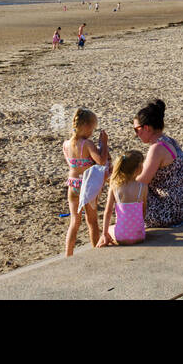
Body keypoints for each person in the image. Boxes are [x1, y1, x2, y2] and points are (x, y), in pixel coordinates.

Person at [130, 99, 183, 227]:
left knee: (126, 190)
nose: (136, 135)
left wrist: (119, 180)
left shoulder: (157, 149)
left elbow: (142, 182)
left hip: (170, 212)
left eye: (136, 130)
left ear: (147, 128)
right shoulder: (169, 141)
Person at [63, 108, 110, 255]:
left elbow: (73, 164)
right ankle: (96, 250)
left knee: (74, 222)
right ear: (87, 126)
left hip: (73, 184)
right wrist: (104, 143)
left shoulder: (66, 144)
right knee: (92, 220)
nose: (92, 131)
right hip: (86, 185)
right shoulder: (87, 144)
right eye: (93, 128)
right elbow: (101, 161)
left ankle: (68, 254)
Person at [98, 151, 147, 246]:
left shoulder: (115, 187)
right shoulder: (143, 187)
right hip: (139, 235)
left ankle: (103, 239)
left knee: (109, 229)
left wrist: (104, 233)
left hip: (121, 237)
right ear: (138, 169)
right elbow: (143, 211)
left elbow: (107, 212)